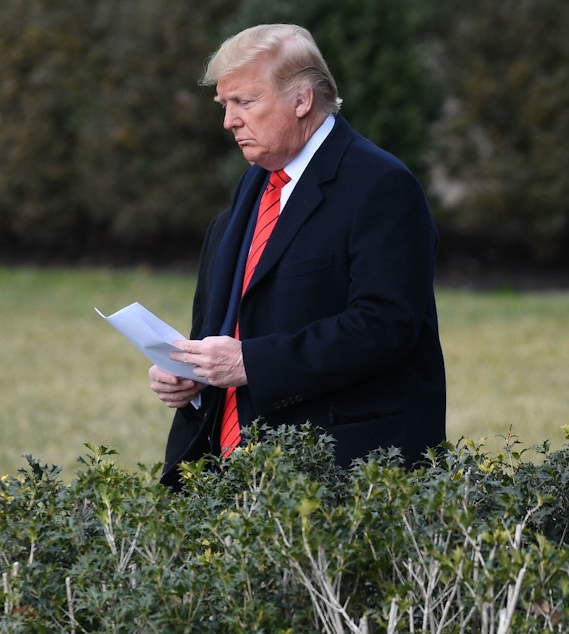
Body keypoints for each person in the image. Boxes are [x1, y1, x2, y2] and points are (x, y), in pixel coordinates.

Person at [149, 24, 446, 490]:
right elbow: (235, 319)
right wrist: (192, 373)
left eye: (244, 102)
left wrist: (252, 363)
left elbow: (386, 324)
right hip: (233, 471)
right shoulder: (255, 182)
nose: (229, 120)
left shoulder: (381, 185)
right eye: (224, 105)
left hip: (342, 477)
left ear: (302, 100)